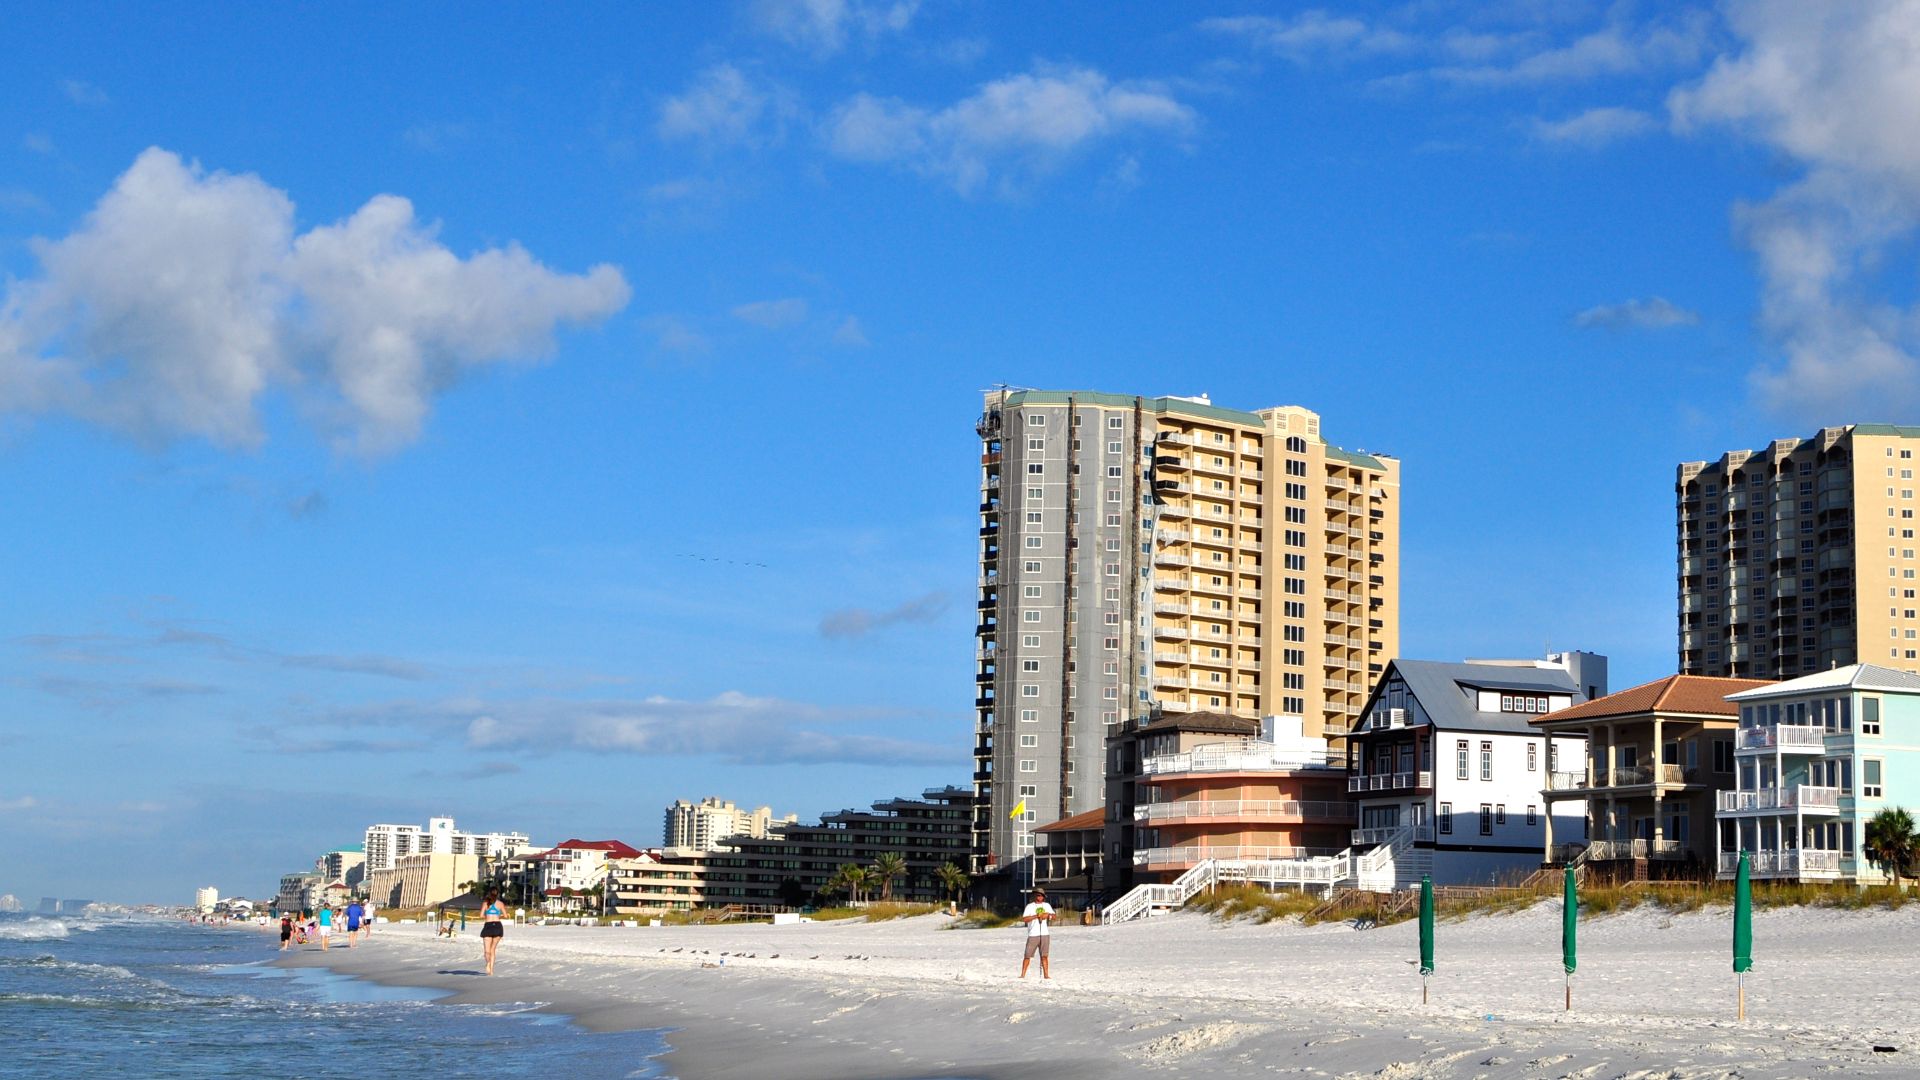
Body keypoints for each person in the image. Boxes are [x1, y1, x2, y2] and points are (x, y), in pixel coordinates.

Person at [1019, 888, 1054, 980]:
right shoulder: (1030, 906)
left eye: (1041, 895)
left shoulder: (1047, 905)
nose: (1040, 897)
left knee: (1044, 956)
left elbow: (1054, 916)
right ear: (1035, 896)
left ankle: (1046, 975)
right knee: (1027, 955)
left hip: (1044, 934)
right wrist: (1036, 916)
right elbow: (1025, 919)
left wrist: (1047, 915)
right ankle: (1022, 974)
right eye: (1038, 895)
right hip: (1033, 934)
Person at [480, 891, 506, 975]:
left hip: (488, 926)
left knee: (487, 951)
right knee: (493, 949)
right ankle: (491, 970)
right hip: (498, 926)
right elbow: (505, 915)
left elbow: (481, 915)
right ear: (497, 895)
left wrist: (487, 916)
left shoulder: (485, 903)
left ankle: (488, 963)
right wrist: (498, 916)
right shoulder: (500, 903)